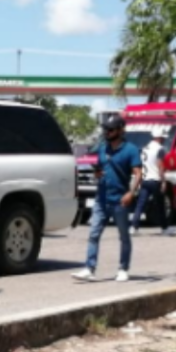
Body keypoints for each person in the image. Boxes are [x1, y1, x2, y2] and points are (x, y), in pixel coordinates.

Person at [72, 114, 142, 282]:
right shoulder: (103, 148)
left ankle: (123, 268)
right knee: (94, 233)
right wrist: (96, 172)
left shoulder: (130, 150)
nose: (107, 132)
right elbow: (98, 165)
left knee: (124, 236)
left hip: (120, 200)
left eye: (110, 130)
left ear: (120, 130)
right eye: (105, 129)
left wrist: (130, 193)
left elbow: (138, 173)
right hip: (101, 198)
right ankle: (90, 268)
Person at [131, 128, 176, 236]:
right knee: (160, 205)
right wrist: (164, 181)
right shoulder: (160, 149)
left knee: (140, 205)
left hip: (145, 179)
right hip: (155, 180)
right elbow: (160, 166)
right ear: (159, 138)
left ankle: (134, 227)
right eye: (163, 138)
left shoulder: (145, 148)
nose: (164, 140)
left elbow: (141, 165)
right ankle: (164, 228)